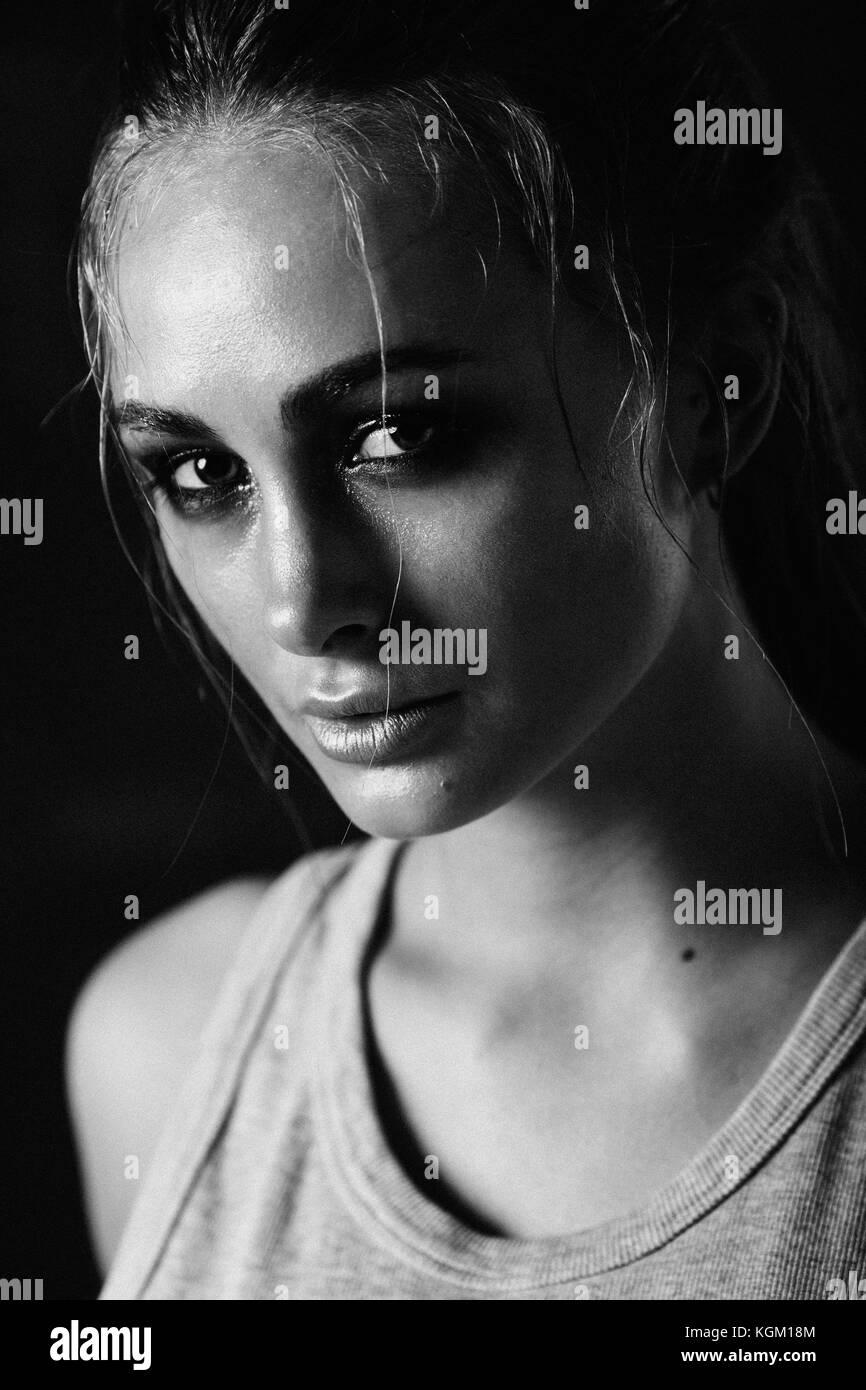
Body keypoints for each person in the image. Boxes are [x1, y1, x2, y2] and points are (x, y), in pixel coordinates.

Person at [66, 0, 866, 1299]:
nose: (303, 602)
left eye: (399, 435)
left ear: (715, 386)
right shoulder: (168, 1048)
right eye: (201, 472)